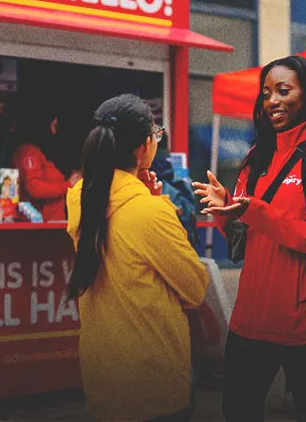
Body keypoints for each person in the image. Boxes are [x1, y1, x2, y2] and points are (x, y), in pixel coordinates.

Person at [192, 56, 306, 422]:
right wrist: (227, 212)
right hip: (250, 318)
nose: (272, 101)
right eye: (266, 93)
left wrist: (255, 211)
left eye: (284, 91)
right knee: (237, 411)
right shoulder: (257, 156)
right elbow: (244, 238)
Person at [66, 94, 209, 422]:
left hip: (101, 371)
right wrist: (159, 204)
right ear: (144, 147)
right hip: (153, 377)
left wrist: (149, 197)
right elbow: (195, 287)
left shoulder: (78, 197)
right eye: (156, 134)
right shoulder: (149, 211)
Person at [12, 108, 81, 221]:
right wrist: (67, 185)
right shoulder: (29, 152)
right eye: (53, 126)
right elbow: (35, 188)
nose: (54, 132)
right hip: (40, 224)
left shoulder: (41, 153)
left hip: (52, 221)